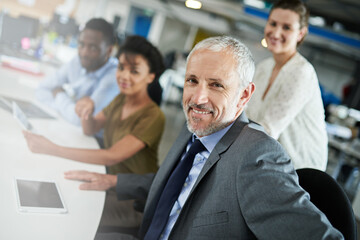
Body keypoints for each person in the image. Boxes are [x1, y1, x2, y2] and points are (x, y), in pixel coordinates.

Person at [65, 36, 343, 240]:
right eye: (192, 80)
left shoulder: (257, 157)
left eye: (216, 85)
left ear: (244, 95)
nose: (198, 98)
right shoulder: (196, 127)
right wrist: (113, 181)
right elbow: (176, 183)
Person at [23, 35, 166, 230]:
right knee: (50, 192)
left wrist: (52, 149)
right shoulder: (120, 101)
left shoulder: (154, 116)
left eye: (134, 71)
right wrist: (87, 108)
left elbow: (111, 156)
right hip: (105, 182)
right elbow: (90, 128)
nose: (124, 76)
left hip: (133, 199)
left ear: (151, 76)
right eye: (121, 67)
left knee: (66, 214)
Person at [245, 0, 328, 171]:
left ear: (300, 34)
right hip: (269, 161)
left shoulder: (301, 72)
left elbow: (268, 129)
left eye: (287, 27)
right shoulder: (264, 67)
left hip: (301, 171)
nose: (276, 33)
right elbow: (247, 114)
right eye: (273, 23)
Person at [36, 18, 119, 131]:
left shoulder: (114, 77)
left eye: (93, 47)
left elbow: (80, 120)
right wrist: (68, 107)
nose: (84, 53)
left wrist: (59, 94)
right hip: (67, 128)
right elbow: (41, 90)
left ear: (109, 51)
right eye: (81, 44)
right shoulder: (78, 61)